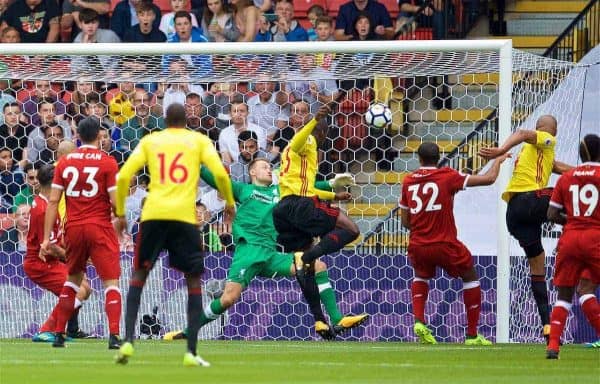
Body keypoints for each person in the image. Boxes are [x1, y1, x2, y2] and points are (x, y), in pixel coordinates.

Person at [163, 158, 366, 341]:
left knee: (318, 266)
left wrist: (331, 185)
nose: (269, 170)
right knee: (228, 299)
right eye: (264, 167)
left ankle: (338, 319)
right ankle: (187, 333)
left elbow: (306, 187)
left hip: (271, 254)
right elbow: (215, 179)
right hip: (249, 252)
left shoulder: (281, 192)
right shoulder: (244, 190)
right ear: (252, 172)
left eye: (270, 167)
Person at [113, 103, 235, 367]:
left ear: (166, 120)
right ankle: (191, 352)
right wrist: (229, 204)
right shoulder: (198, 140)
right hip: (183, 217)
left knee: (139, 276)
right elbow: (220, 174)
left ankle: (128, 341)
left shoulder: (152, 140)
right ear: (186, 120)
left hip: (153, 216)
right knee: (193, 279)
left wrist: (121, 213)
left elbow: (123, 177)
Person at [271, 99, 368, 335]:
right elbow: (297, 143)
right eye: (326, 134)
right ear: (322, 131)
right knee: (351, 229)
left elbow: (306, 186)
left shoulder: (293, 158)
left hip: (284, 209)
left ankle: (321, 321)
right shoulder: (309, 141)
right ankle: (310, 255)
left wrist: (334, 194)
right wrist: (315, 119)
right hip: (300, 205)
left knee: (309, 268)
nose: (325, 139)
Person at [400, 142, 509, 345]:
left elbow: (405, 222)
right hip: (444, 242)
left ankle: (419, 321)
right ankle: (472, 335)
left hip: (418, 243)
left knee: (421, 276)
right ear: (439, 157)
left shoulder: (408, 181)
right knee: (470, 276)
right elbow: (489, 179)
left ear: (419, 159)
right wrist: (497, 160)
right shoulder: (447, 176)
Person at [479, 114, 573, 342]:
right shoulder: (546, 138)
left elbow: (560, 167)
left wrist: (589, 171)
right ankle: (571, 235)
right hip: (529, 200)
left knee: (537, 267)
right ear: (551, 131)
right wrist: (500, 150)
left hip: (515, 216)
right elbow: (521, 133)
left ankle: (548, 327)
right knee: (571, 194)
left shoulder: (539, 157)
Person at [41, 117, 122, 349]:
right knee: (111, 282)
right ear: (99, 135)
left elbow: (53, 201)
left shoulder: (65, 162)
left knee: (73, 280)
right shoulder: (107, 162)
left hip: (73, 228)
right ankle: (114, 336)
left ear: (78, 137)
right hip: (99, 227)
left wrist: (47, 238)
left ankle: (58, 334)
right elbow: (116, 205)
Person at [545, 134, 600, 359]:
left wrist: (574, 222)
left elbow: (551, 214)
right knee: (586, 289)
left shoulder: (566, 177)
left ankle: (554, 346)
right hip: (596, 237)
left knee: (567, 293)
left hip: (570, 239)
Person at [25, 164, 92, 343]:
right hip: (40, 263)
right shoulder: (43, 210)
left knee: (85, 287)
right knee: (77, 291)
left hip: (49, 261)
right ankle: (48, 330)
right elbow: (50, 246)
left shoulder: (46, 204)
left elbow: (57, 240)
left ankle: (67, 330)